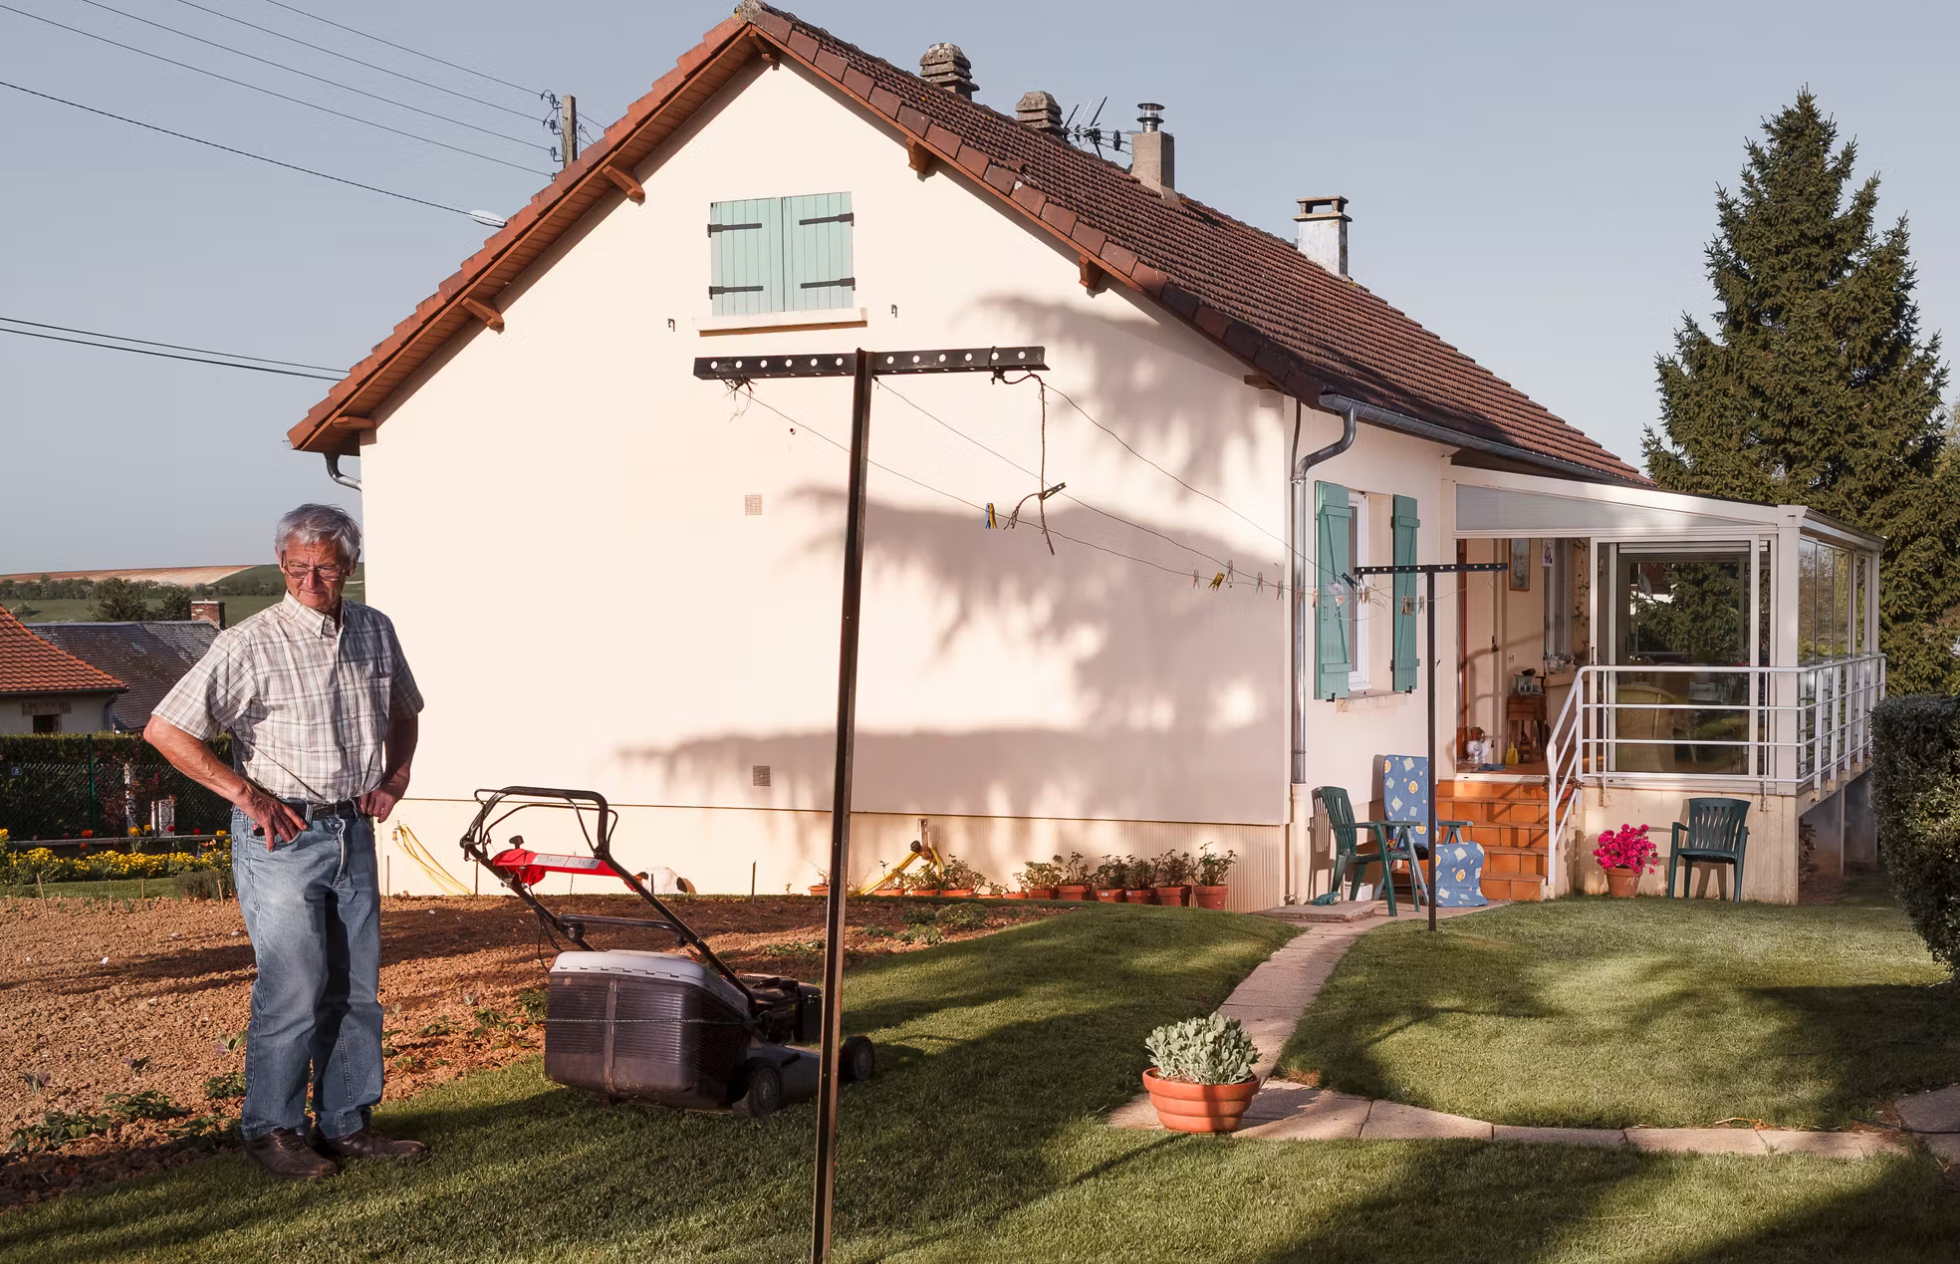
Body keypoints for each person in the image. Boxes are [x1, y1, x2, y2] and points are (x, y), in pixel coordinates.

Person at [145, 504, 424, 1180]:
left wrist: (395, 777)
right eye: (298, 566)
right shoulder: (248, 643)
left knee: (356, 990)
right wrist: (246, 795)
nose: (310, 578)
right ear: (281, 565)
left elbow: (404, 712)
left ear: (349, 566)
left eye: (325, 566)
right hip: (282, 836)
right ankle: (272, 1131)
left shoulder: (376, 631)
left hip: (351, 827)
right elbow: (166, 731)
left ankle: (347, 1123)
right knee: (295, 986)